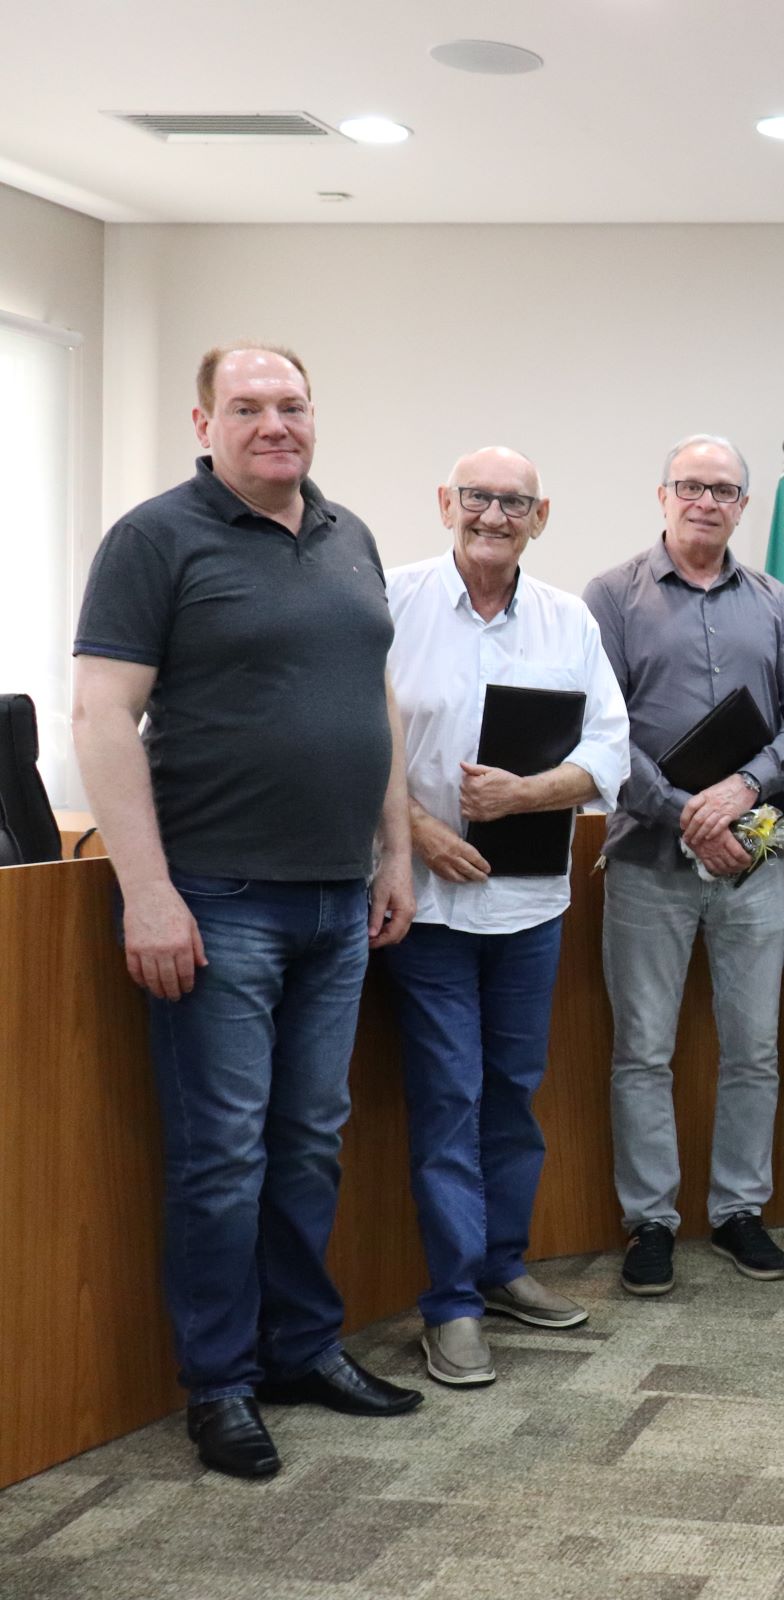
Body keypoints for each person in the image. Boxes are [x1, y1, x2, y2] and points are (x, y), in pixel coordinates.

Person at [70, 344, 422, 1480]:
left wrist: (395, 851)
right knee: (221, 1156)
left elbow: (372, 699)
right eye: (248, 407)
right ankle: (219, 1384)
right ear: (205, 420)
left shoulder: (349, 536)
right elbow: (99, 713)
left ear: (315, 416)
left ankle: (299, 1348)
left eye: (292, 405)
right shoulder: (155, 537)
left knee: (310, 1142)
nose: (274, 424)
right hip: (218, 901)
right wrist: (149, 891)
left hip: (334, 900)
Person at [382, 447, 631, 1384]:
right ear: (446, 502)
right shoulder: (393, 600)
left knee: (512, 1095)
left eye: (513, 502)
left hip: (529, 904)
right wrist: (417, 831)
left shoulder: (567, 620)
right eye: (478, 497)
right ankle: (449, 1306)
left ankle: (498, 1267)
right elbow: (359, 734)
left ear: (542, 516)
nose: (494, 514)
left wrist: (530, 794)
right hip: (428, 904)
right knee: (449, 1100)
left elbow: (613, 747)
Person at [584, 435, 784, 1297]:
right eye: (691, 485)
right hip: (649, 859)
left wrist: (742, 787)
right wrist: (689, 817)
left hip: (754, 855)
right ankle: (650, 1222)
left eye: (724, 489)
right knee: (643, 1051)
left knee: (754, 1049)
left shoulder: (773, 599)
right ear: (662, 495)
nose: (706, 500)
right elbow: (603, 733)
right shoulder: (612, 596)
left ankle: (737, 1212)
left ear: (742, 505)